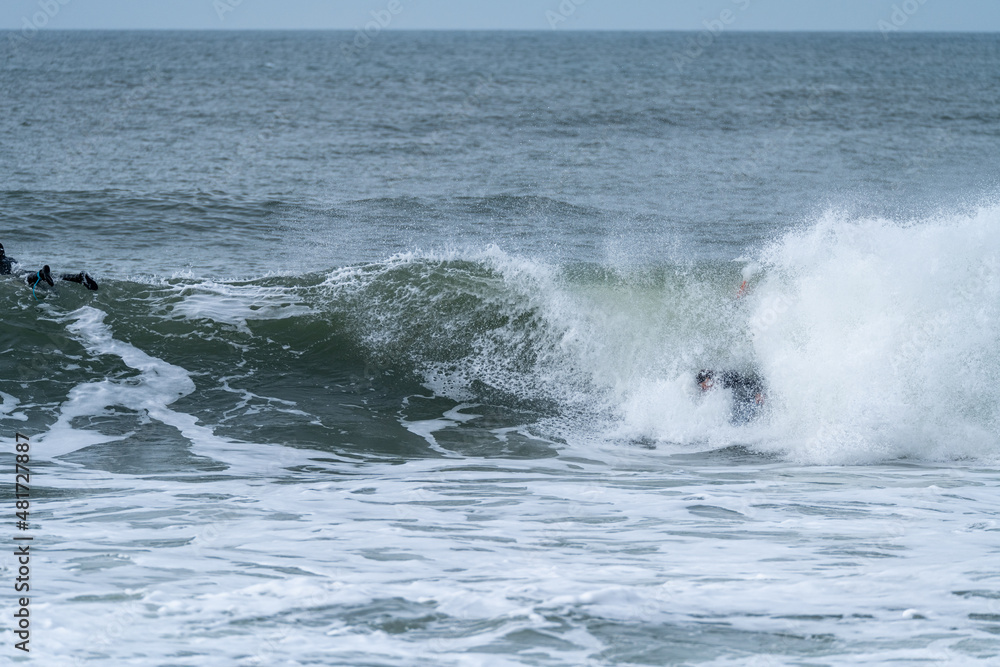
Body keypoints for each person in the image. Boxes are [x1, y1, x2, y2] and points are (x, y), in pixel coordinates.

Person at [0, 243, 98, 292]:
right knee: (54, 277)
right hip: (21, 270)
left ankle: (41, 274)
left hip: (15, 274)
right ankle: (78, 278)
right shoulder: (10, 259)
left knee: (26, 278)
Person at [697, 369, 765, 423]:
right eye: (703, 387)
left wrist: (758, 392)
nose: (706, 388)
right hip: (734, 404)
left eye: (706, 384)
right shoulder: (706, 389)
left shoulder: (726, 378)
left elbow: (749, 381)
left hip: (745, 398)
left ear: (710, 379)